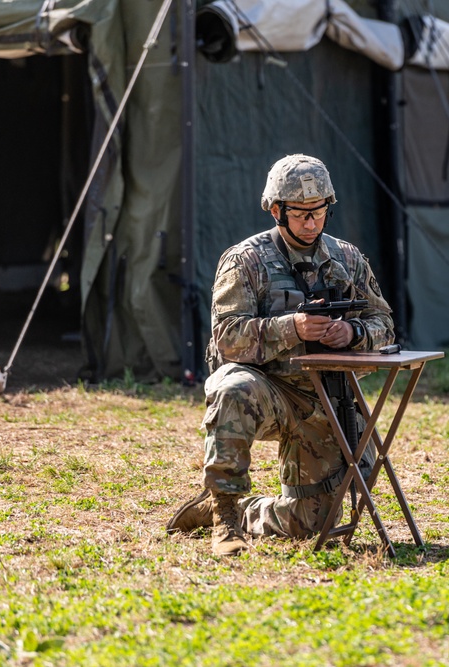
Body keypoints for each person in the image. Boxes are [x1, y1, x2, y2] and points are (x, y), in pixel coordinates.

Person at [166, 154, 395, 556]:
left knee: (312, 524)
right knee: (231, 386)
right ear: (276, 211)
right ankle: (225, 515)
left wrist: (352, 332)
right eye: (301, 214)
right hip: (266, 388)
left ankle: (245, 512)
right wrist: (292, 327)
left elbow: (384, 324)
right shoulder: (245, 261)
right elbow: (227, 338)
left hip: (324, 395)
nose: (311, 222)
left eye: (319, 212)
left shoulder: (347, 258)